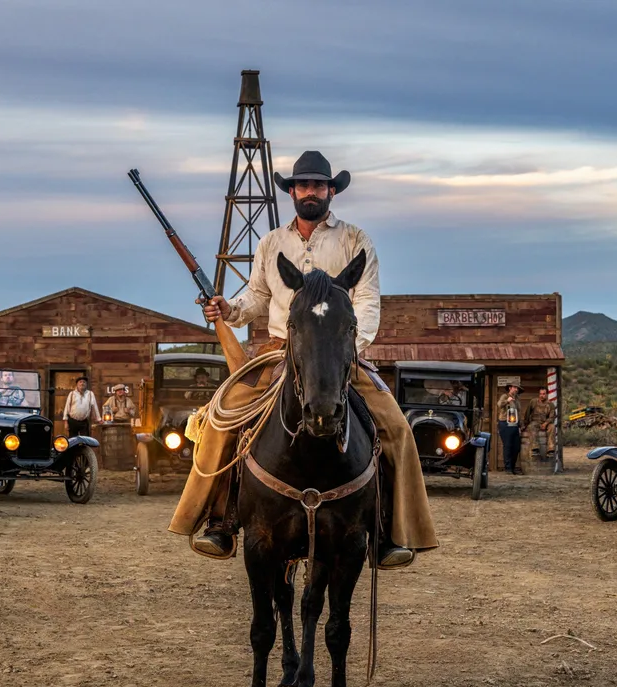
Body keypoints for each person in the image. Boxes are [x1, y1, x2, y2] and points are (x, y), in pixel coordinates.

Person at [170, 150, 437, 569]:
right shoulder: (271, 242)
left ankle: (388, 532)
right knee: (223, 418)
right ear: (292, 192)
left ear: (332, 191)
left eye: (318, 185)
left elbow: (366, 303)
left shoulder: (355, 241)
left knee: (397, 429)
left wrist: (348, 349)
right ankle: (219, 521)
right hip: (280, 352)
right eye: (302, 185)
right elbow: (258, 297)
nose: (310, 191)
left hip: (339, 354)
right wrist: (228, 309)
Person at [497, 382, 523, 474]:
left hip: (515, 424)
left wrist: (521, 425)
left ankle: (512, 467)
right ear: (510, 388)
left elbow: (519, 413)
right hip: (505, 423)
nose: (516, 389)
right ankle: (508, 468)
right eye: (515, 387)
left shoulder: (517, 399)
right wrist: (507, 401)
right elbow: (499, 404)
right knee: (507, 445)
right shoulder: (505, 396)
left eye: (517, 388)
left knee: (516, 447)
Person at [522, 387, 556, 457]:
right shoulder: (533, 402)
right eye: (540, 394)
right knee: (531, 426)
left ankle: (550, 450)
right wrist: (525, 424)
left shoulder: (550, 404)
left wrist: (546, 423)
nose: (541, 395)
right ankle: (535, 449)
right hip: (535, 422)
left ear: (547, 394)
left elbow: (552, 417)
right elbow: (527, 413)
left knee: (552, 427)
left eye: (543, 394)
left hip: (546, 422)